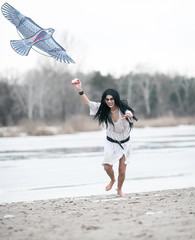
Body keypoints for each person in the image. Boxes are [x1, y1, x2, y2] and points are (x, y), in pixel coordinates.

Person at [73, 80, 137, 197]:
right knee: (107, 167)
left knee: (122, 170)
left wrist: (130, 115)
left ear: (115, 99)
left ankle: (119, 189)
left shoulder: (123, 109)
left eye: (111, 99)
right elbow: (88, 103)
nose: (109, 101)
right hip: (111, 142)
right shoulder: (103, 108)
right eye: (107, 99)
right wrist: (80, 90)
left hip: (125, 143)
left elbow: (129, 113)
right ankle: (112, 180)